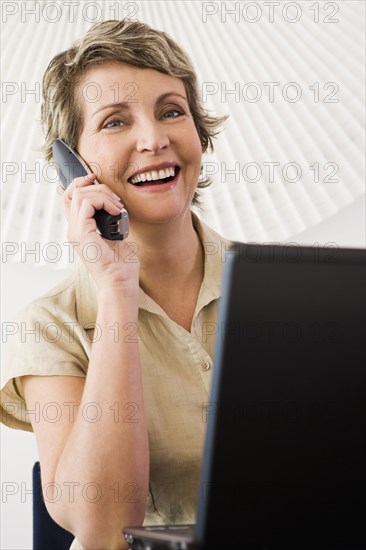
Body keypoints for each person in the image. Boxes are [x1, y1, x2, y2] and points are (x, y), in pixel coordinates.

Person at [1, 19, 230, 550]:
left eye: (172, 111)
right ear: (73, 166)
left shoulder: (294, 288)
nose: (154, 139)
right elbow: (102, 527)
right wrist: (116, 289)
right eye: (115, 122)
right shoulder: (50, 326)